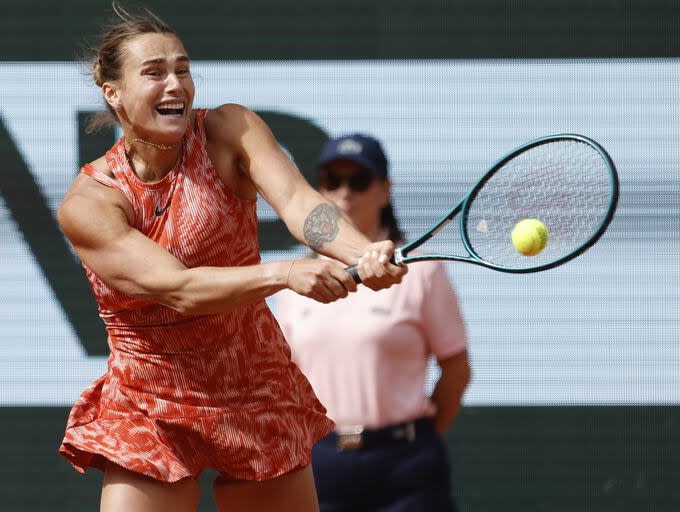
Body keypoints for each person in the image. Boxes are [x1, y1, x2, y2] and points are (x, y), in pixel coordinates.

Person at [56, 5, 406, 512]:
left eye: (182, 69)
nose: (175, 84)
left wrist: (363, 251)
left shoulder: (230, 130)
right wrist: (286, 273)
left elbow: (302, 205)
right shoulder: (91, 203)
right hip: (150, 403)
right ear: (113, 93)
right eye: (154, 72)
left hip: (253, 386)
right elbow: (179, 288)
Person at [276, 134, 471, 512]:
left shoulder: (423, 271)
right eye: (333, 180)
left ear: (385, 190)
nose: (345, 193)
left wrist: (409, 440)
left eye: (359, 181)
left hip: (406, 467)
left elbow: (456, 370)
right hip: (322, 464)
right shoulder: (301, 279)